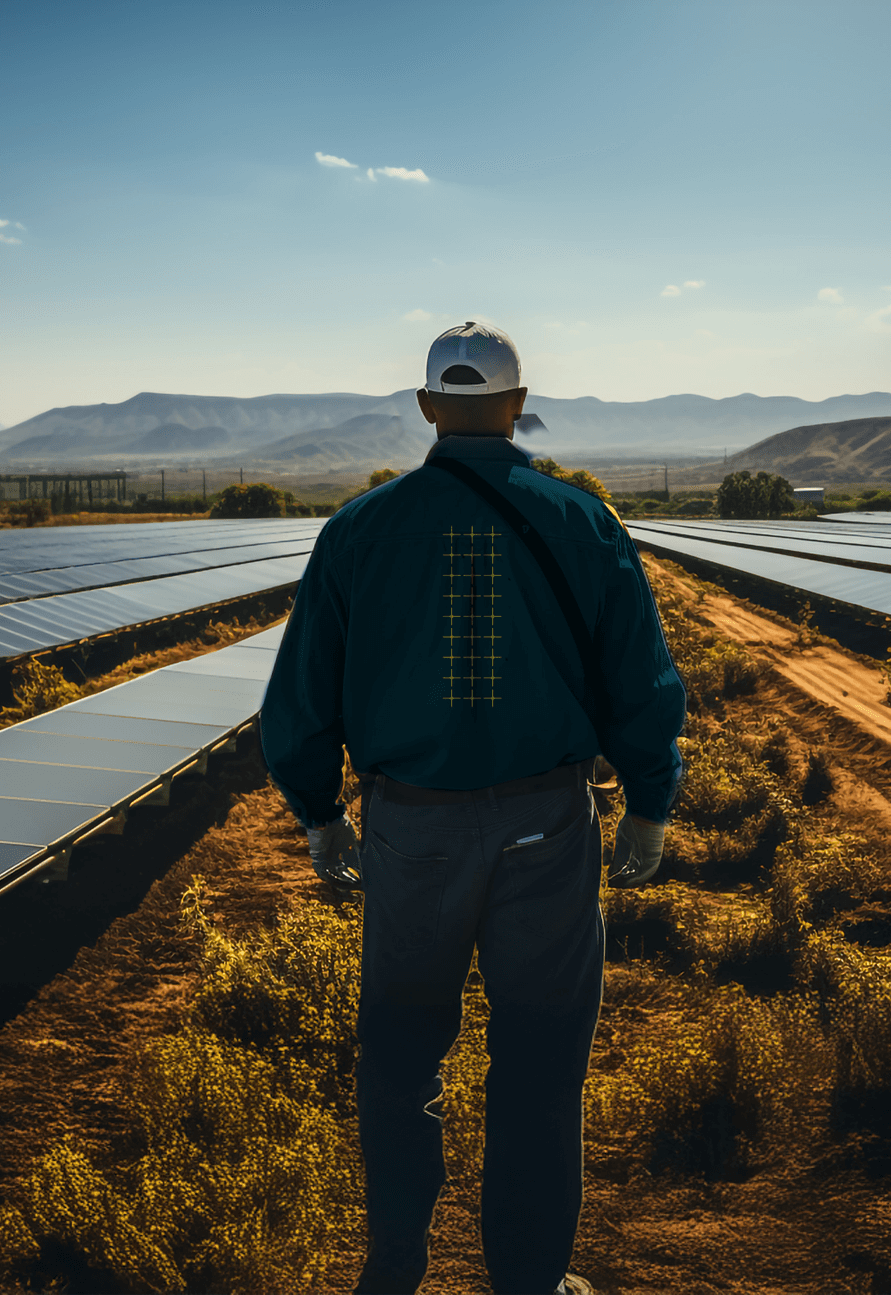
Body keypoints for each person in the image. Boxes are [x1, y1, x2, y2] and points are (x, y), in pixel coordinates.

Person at [260, 320, 686, 1295]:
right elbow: (641, 684)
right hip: (548, 829)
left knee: (403, 1055)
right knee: (539, 1065)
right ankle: (530, 1282)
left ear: (425, 409)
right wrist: (650, 805)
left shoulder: (359, 531)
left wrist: (321, 814)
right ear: (517, 403)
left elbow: (300, 695)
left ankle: (395, 1268)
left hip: (411, 834)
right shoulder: (582, 524)